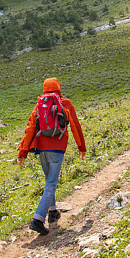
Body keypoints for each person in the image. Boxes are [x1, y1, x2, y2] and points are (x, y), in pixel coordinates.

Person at [17, 77, 86, 236]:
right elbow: (75, 125)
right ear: (58, 88)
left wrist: (23, 152)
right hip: (57, 148)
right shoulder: (65, 103)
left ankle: (53, 211)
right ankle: (38, 219)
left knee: (49, 181)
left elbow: (30, 129)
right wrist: (81, 147)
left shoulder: (39, 105)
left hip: (41, 149)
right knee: (52, 183)